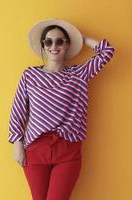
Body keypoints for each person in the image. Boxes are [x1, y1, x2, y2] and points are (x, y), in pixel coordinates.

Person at [8, 18, 115, 200]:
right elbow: (18, 109)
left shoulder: (78, 74)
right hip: (35, 149)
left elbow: (107, 51)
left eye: (60, 41)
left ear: (66, 46)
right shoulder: (30, 75)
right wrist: (17, 144)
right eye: (48, 41)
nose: (54, 46)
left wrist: (81, 37)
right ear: (43, 46)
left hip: (68, 149)